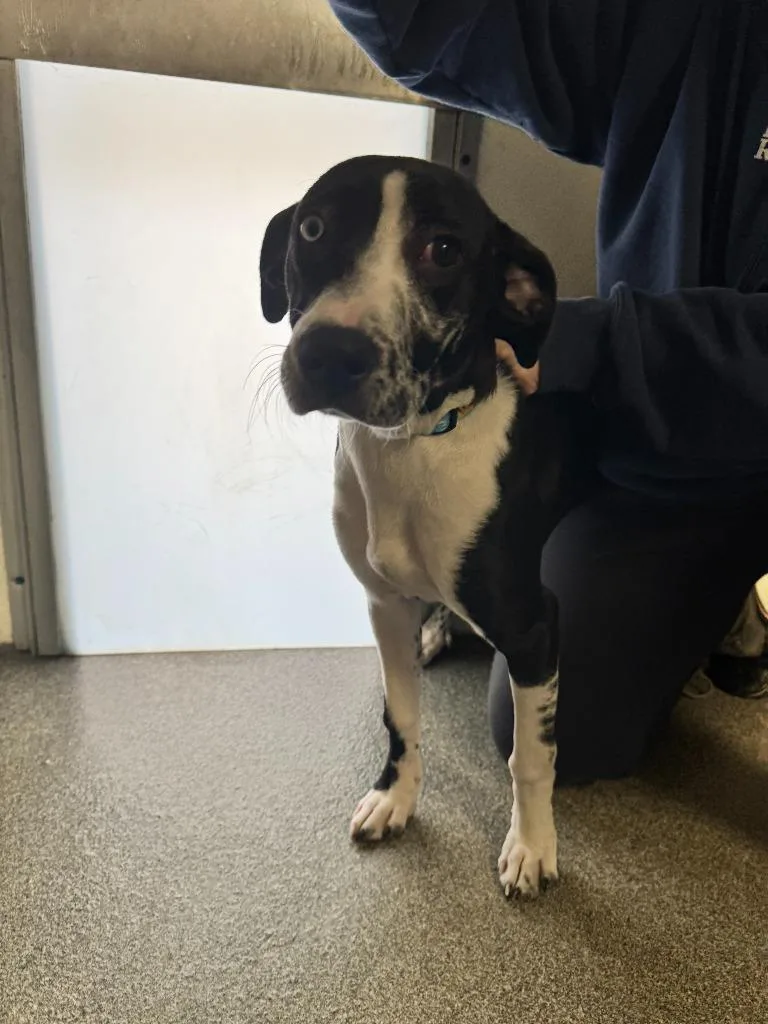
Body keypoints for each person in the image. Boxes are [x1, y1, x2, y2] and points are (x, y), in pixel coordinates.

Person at [327, 0, 768, 783]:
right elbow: (444, 24)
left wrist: (588, 344)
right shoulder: (694, 25)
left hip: (716, 422)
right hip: (655, 441)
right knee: (571, 725)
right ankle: (720, 606)